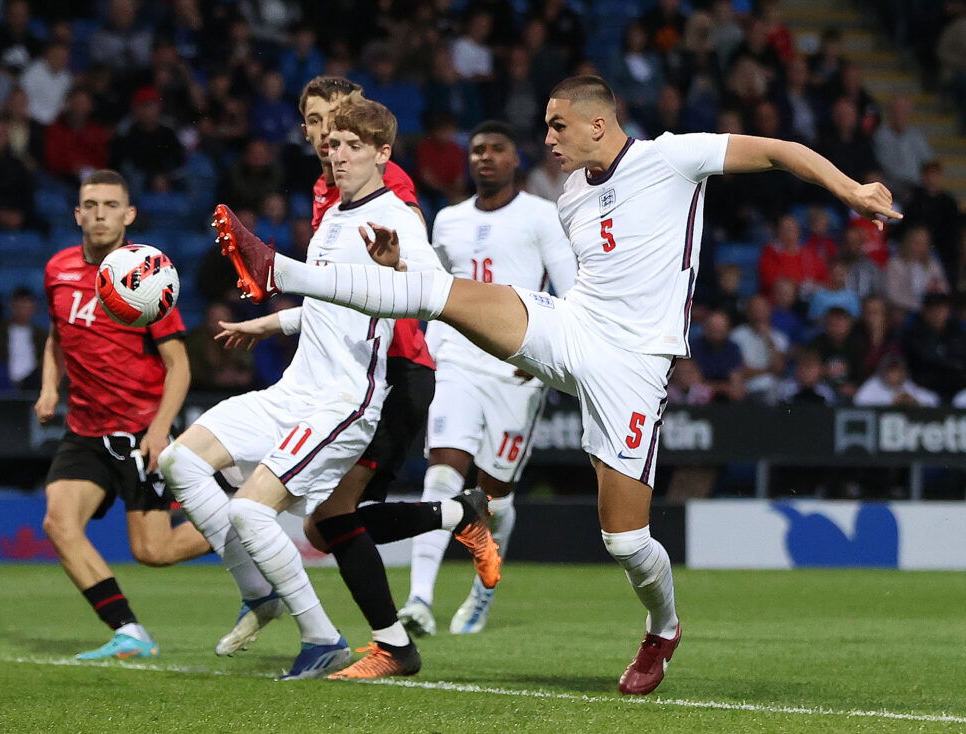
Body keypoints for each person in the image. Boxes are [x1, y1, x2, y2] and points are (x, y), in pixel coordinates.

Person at [221, 74, 899, 695]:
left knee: (626, 544)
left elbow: (779, 150)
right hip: (570, 325)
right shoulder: (570, 194)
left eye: (556, 126)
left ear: (597, 125)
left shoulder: (672, 157)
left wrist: (850, 190)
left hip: (632, 365)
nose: (546, 140)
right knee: (434, 294)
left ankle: (662, 628)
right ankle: (278, 270)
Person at [163, 97, 496, 681]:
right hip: (295, 389)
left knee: (264, 513)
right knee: (179, 460)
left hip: (344, 401)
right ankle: (260, 594)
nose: (335, 153)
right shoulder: (334, 216)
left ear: (382, 153)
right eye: (330, 143)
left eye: (350, 145)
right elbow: (327, 306)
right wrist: (275, 321)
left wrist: (398, 270)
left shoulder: (398, 216)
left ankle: (323, 638)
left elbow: (438, 289)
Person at [398, 121, 576, 638]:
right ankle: (418, 600)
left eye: (497, 150)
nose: (485, 158)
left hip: (516, 369)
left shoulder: (543, 217)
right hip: (455, 360)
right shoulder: (448, 221)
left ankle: (483, 589)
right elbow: (433, 293)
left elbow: (568, 290)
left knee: (493, 500)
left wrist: (545, 352)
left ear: (515, 159)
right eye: (477, 150)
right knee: (442, 474)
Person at [37, 169, 209, 660]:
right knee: (58, 523)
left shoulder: (146, 274)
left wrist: (158, 431)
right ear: (76, 214)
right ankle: (128, 630)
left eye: (110, 205)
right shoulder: (58, 269)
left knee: (152, 551)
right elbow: (56, 333)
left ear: (129, 214)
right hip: (85, 430)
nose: (99, 214)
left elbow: (179, 365)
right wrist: (51, 386)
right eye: (90, 205)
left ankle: (246, 523)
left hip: (139, 430)